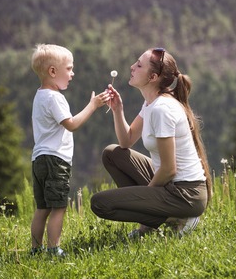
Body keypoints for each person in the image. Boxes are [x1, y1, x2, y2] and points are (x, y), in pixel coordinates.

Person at [91, 47, 212, 238]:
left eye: (139, 65)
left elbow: (169, 169)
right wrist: (117, 110)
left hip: (186, 195)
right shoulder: (151, 103)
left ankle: (177, 219)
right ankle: (161, 216)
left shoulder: (161, 109)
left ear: (153, 77)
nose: (132, 67)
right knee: (112, 154)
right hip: (170, 185)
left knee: (100, 203)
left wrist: (144, 197)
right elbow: (126, 141)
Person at [30, 44, 110, 256]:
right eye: (69, 69)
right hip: (55, 160)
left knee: (42, 208)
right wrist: (93, 105)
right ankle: (53, 248)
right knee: (59, 207)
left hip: (38, 159)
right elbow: (72, 124)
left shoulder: (40, 95)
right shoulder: (55, 98)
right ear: (53, 72)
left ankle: (35, 250)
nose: (72, 74)